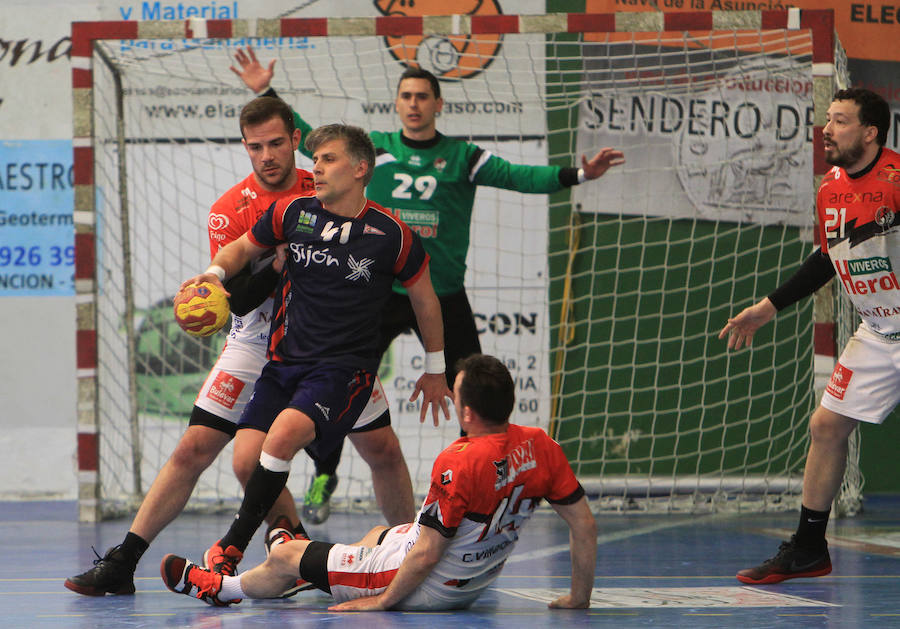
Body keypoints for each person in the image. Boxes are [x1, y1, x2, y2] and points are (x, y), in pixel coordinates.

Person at [231, 47, 625, 521]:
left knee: (473, 386)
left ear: (438, 104)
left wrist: (579, 174)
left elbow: (519, 176)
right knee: (333, 380)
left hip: (438, 294)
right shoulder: (372, 151)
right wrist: (266, 91)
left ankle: (477, 479)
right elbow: (312, 137)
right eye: (406, 96)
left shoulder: (461, 157)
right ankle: (323, 474)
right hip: (374, 295)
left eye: (422, 96)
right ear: (397, 104)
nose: (414, 104)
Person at [64, 98, 413, 597]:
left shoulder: (324, 184)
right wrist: (254, 270)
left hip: (326, 341)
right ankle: (126, 560)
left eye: (276, 144)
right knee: (198, 448)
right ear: (245, 147)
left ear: (296, 140)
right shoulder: (230, 209)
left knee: (382, 448)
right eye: (255, 147)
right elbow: (239, 298)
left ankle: (412, 553)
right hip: (255, 339)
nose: (267, 156)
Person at [179, 122, 451, 589]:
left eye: (328, 159)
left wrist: (436, 368)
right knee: (249, 457)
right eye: (316, 159)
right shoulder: (293, 213)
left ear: (360, 168)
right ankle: (304, 549)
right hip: (285, 364)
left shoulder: (391, 234)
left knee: (283, 438)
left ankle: (231, 548)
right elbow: (242, 247)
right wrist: (214, 274)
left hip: (344, 370)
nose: (316, 168)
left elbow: (425, 300)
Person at [161, 353, 597, 610]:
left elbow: (426, 555)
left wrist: (382, 602)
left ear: (466, 412)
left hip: (425, 586)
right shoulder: (540, 445)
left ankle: (223, 589)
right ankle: (307, 569)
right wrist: (579, 598)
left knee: (286, 555)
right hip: (469, 582)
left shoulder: (459, 462)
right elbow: (585, 524)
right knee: (376, 534)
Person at [718, 87, 898, 585]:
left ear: (870, 132)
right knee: (826, 426)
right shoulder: (830, 188)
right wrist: (767, 307)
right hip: (879, 331)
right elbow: (826, 259)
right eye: (828, 119)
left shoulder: (896, 179)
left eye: (840, 121)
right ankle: (809, 549)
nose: (827, 129)